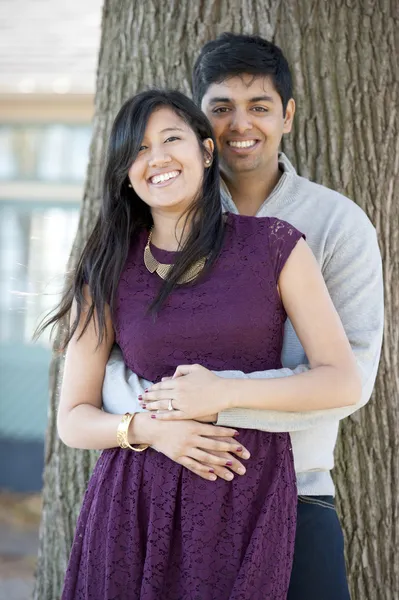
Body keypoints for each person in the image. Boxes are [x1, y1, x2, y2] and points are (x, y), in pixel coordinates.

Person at [44, 88, 360, 600]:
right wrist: (150, 430)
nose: (158, 159)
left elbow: (341, 380)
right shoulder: (107, 266)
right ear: (125, 171)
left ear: (206, 152)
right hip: (134, 505)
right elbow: (73, 419)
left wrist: (225, 393)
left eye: (171, 139)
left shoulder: (275, 245)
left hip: (248, 496)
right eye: (138, 150)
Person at [102, 34, 384, 599]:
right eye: (220, 108)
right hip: (166, 479)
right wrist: (163, 423)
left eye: (259, 107)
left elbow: (351, 380)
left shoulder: (337, 225)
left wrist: (222, 398)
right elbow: (105, 360)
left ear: (288, 116)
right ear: (198, 122)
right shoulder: (161, 214)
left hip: (297, 486)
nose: (239, 124)